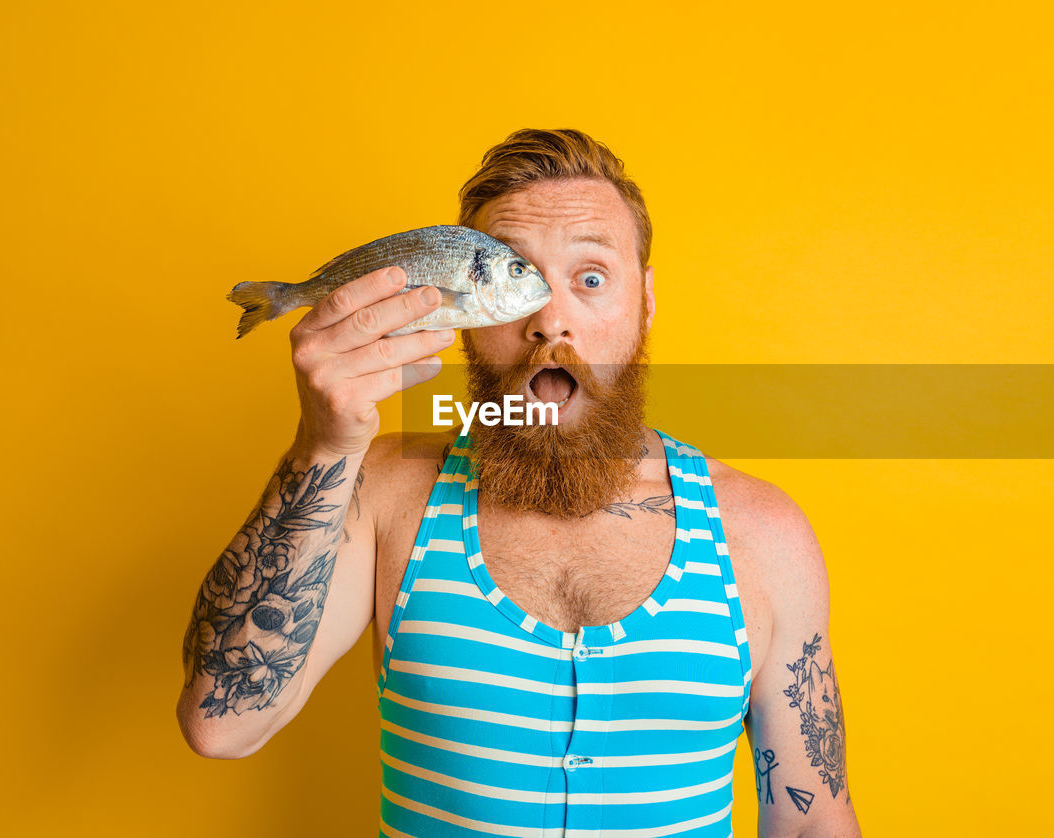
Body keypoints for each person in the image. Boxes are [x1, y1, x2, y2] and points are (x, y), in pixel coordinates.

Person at [177, 128, 862, 837]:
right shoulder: (385, 491)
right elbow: (221, 725)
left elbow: (811, 820)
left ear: (645, 302)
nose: (549, 321)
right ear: (459, 315)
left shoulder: (761, 533)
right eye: (511, 280)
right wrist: (323, 447)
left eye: (590, 279)